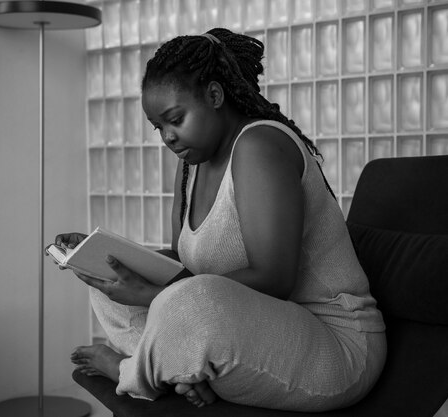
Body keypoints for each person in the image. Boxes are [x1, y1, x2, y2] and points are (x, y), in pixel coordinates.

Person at [54, 28, 387, 412]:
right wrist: (108, 256)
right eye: (158, 127)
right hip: (249, 334)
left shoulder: (260, 145)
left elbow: (274, 280)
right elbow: (179, 271)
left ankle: (134, 373)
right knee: (109, 284)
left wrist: (154, 295)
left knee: (192, 302)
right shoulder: (191, 165)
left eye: (175, 119)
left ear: (215, 95)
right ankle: (185, 372)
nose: (167, 137)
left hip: (333, 347)